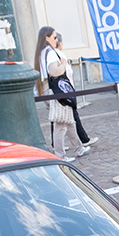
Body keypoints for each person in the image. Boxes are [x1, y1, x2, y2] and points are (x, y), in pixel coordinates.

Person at [34, 27, 88, 162]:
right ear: (47, 38)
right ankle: (60, 155)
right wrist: (63, 64)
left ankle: (79, 148)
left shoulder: (41, 52)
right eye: (54, 37)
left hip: (47, 90)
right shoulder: (50, 52)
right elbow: (55, 71)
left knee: (69, 121)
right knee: (61, 124)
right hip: (56, 91)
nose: (57, 40)